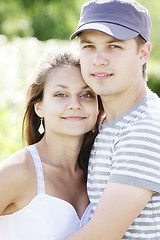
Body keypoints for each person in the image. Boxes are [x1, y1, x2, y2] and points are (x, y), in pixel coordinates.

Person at [67, 0, 160, 239]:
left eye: (114, 46)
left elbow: (100, 235)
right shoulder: (101, 122)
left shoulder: (145, 128)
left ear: (143, 52)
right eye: (88, 46)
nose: (98, 59)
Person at [0, 50, 101, 239]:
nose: (74, 104)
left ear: (98, 107)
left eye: (86, 95)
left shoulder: (97, 175)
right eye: (61, 94)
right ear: (39, 107)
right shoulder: (19, 171)